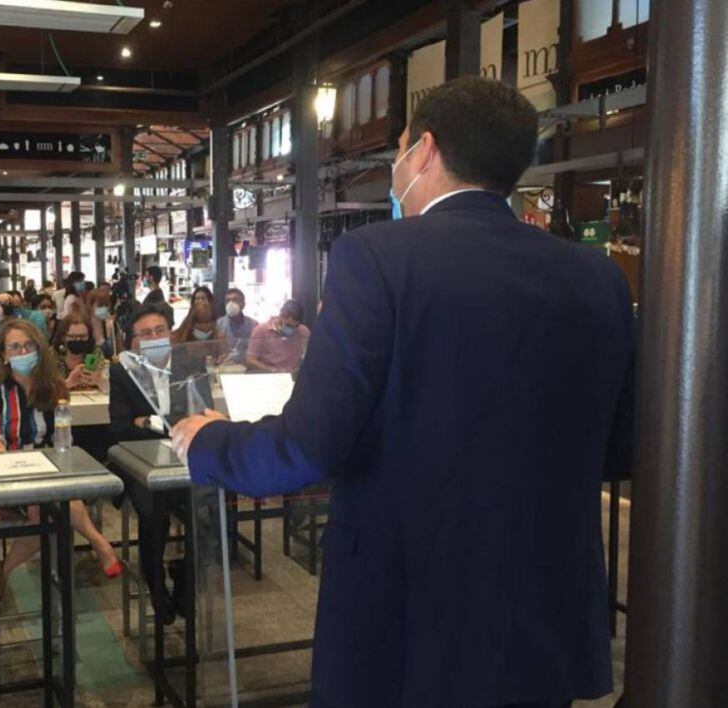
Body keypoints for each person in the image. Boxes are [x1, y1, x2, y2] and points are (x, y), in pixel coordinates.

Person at [171, 77, 635, 707]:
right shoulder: (596, 277)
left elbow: (309, 446)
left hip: (412, 622)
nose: (396, 167)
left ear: (425, 151)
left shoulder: (377, 258)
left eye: (399, 149)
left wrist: (210, 442)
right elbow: (620, 446)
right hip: (541, 616)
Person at [0, 319, 122, 606]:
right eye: (14, 347)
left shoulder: (55, 387)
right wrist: (10, 466)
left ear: (39, 349)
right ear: (4, 354)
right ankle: (100, 544)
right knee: (47, 506)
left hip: (52, 466)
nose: (23, 352)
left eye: (28, 346)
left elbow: (62, 437)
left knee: (51, 501)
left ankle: (1, 574)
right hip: (12, 469)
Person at [109, 304, 212, 625]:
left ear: (170, 332)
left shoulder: (191, 363)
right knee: (153, 516)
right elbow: (120, 426)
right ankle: (155, 585)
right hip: (142, 460)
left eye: (159, 330)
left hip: (184, 456)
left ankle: (187, 579)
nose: (153, 337)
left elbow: (203, 412)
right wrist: (150, 423)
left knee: (206, 512)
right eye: (145, 333)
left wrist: (148, 421)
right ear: (135, 340)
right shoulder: (124, 371)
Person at [245, 300, 310, 373]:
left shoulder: (303, 331)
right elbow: (251, 360)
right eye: (288, 325)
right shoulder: (261, 331)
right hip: (269, 373)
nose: (290, 329)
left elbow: (308, 357)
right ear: (280, 316)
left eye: (295, 326)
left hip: (293, 374)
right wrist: (273, 371)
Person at [51, 312, 104, 391]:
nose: (78, 340)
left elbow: (112, 388)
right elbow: (44, 391)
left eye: (82, 336)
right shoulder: (51, 355)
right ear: (63, 337)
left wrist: (100, 381)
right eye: (72, 336)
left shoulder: (96, 353)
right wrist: (68, 383)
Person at [215, 288, 259, 365]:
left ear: (243, 304)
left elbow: (257, 352)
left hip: (248, 367)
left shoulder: (254, 325)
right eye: (227, 301)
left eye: (235, 300)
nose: (231, 304)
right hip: (226, 366)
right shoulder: (219, 324)